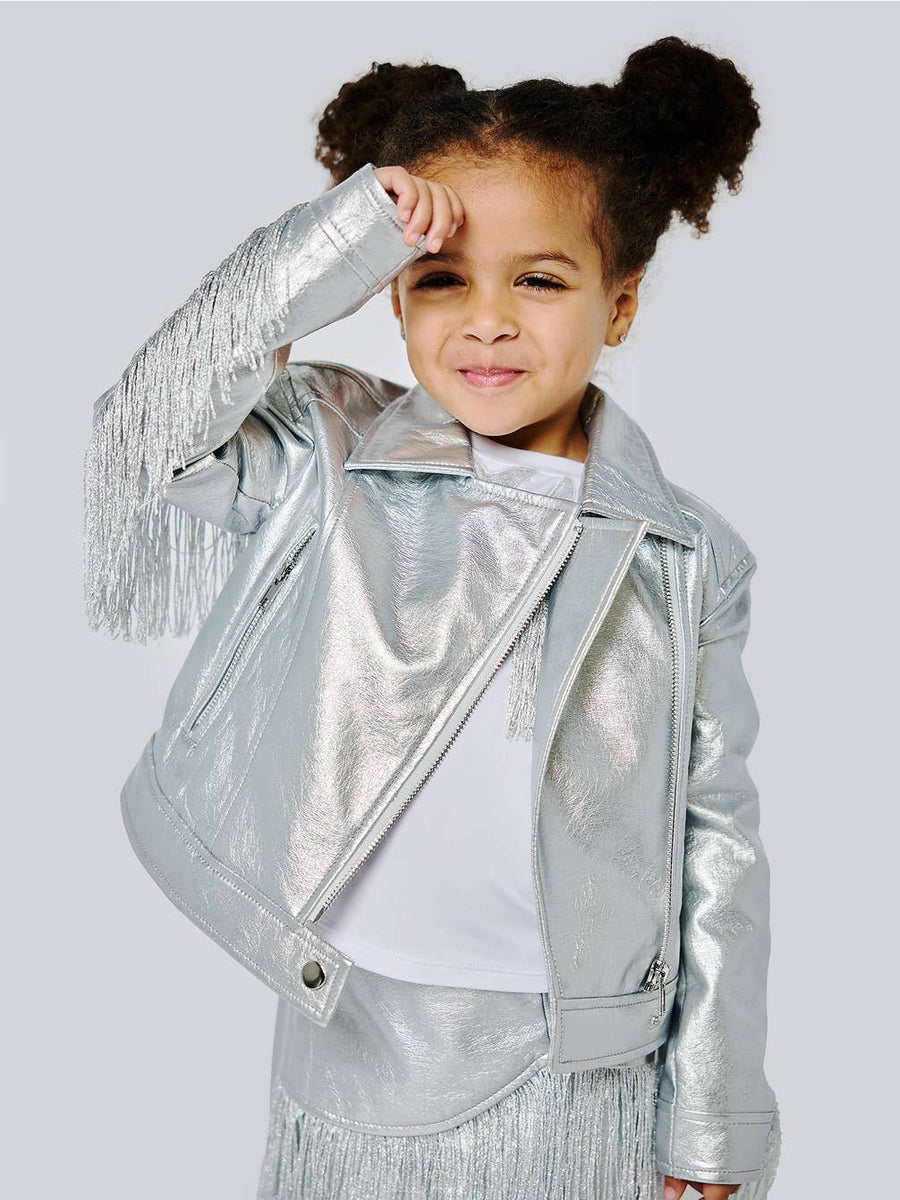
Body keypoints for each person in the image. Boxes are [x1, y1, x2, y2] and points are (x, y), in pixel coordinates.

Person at [84, 35, 782, 1200]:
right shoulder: (328, 454)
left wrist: (711, 1112)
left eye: (539, 281)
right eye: (443, 280)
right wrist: (336, 242)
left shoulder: (683, 554)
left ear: (619, 303)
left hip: (577, 1076)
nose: (487, 321)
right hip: (354, 1038)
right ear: (393, 294)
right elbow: (142, 433)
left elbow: (715, 842)